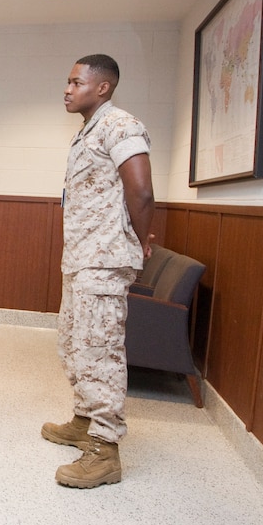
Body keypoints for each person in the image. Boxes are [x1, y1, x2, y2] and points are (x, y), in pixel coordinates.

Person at [42, 54, 155, 489]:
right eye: (67, 82)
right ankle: (83, 421)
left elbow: (141, 192)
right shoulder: (87, 133)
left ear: (102, 88)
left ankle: (104, 451)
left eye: (76, 82)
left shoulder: (120, 125)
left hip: (104, 261)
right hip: (82, 259)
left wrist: (141, 242)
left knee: (99, 351)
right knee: (75, 343)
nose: (67, 89)